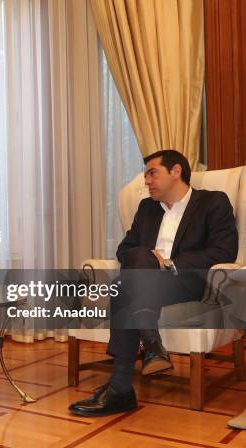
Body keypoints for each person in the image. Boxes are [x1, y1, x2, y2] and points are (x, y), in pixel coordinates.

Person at [69, 149, 238, 417]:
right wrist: (148, 259)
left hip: (187, 282)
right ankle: (149, 349)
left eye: (152, 173)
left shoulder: (212, 202)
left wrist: (169, 263)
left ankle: (123, 386)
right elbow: (124, 250)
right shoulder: (147, 208)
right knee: (136, 263)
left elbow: (224, 252)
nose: (146, 180)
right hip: (144, 281)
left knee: (127, 285)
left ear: (176, 171)